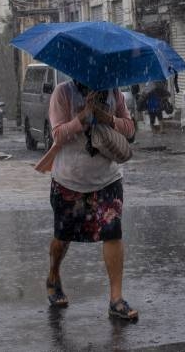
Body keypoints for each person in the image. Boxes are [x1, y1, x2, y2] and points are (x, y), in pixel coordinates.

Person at [40, 79, 139, 321]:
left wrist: (110, 120)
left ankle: (116, 299)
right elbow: (57, 134)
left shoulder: (114, 91)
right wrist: (81, 119)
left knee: (113, 233)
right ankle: (53, 275)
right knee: (62, 237)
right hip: (69, 180)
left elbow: (130, 130)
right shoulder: (63, 93)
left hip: (107, 179)